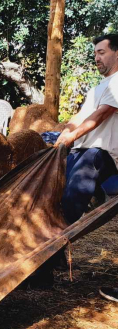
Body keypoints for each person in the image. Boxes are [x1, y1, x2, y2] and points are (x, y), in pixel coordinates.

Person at [54, 33, 118, 300]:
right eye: (95, 53)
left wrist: (72, 136)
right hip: (83, 153)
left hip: (101, 156)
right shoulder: (98, 87)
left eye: (101, 52)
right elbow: (79, 117)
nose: (97, 57)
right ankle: (52, 254)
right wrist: (62, 132)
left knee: (68, 208)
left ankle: (46, 257)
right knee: (56, 205)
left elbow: (102, 114)